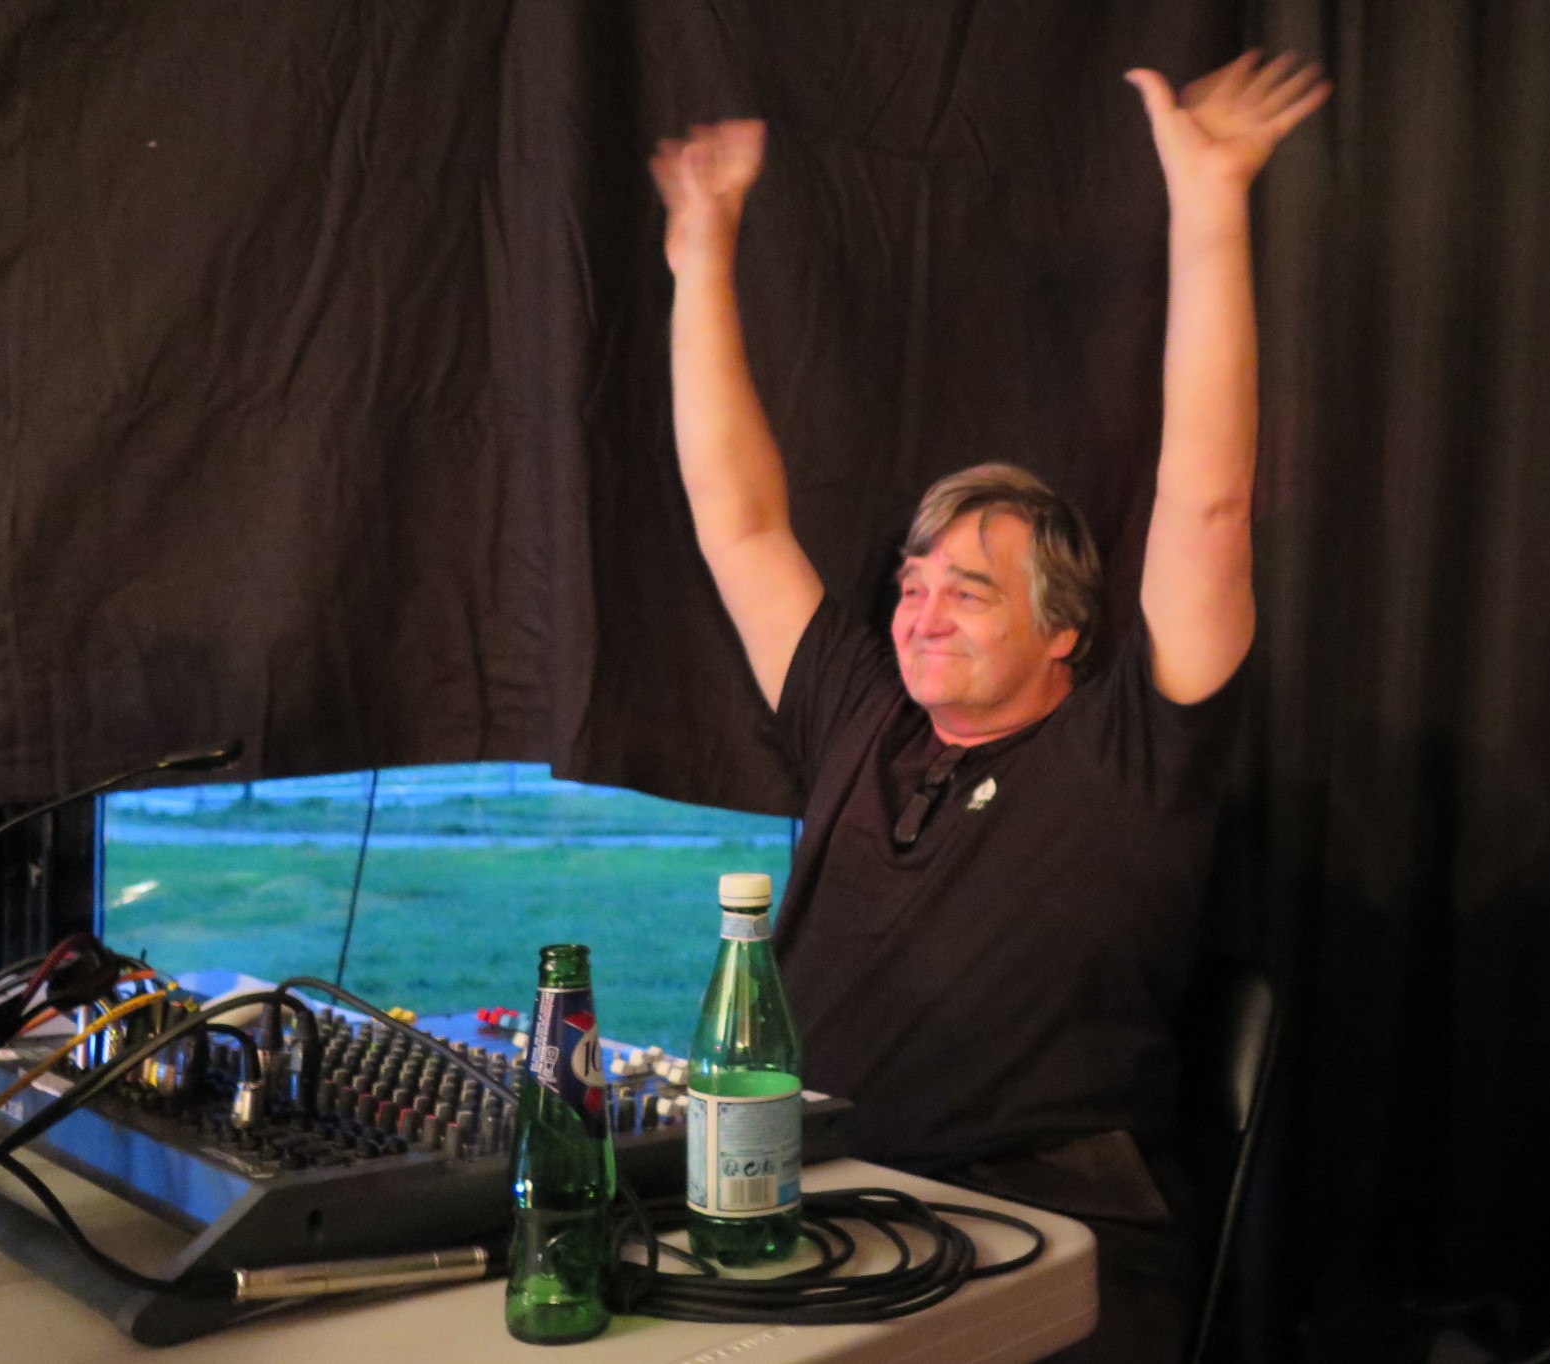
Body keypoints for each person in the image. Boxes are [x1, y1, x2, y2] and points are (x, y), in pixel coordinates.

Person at [652, 51, 1328, 1363]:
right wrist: (700, 256)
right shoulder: (861, 709)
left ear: (1064, 629)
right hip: (819, 1205)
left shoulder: (1131, 751)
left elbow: (1206, 502)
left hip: (1048, 1242)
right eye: (911, 587)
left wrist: (1208, 202)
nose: (919, 614)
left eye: (967, 592)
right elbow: (737, 520)